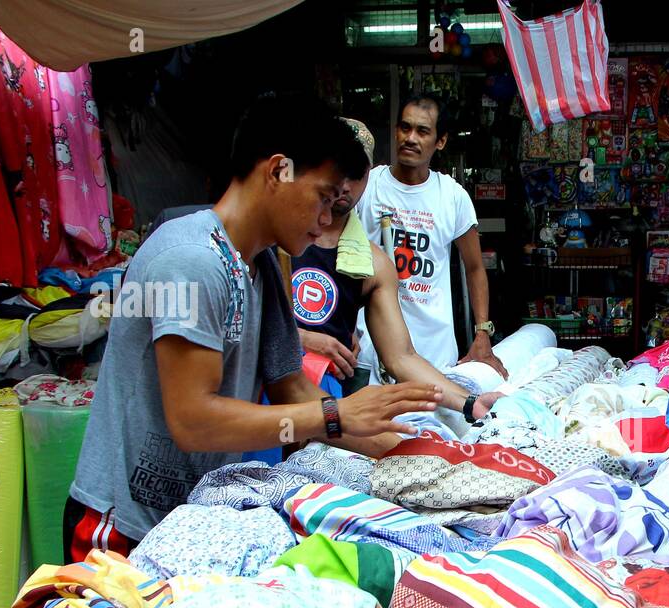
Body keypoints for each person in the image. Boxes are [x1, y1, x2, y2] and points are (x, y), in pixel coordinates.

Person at [64, 93, 442, 562]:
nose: (328, 219)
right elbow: (194, 421)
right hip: (123, 526)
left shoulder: (261, 265)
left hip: (190, 519)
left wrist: (425, 459)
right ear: (278, 170)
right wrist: (336, 414)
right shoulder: (191, 259)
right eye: (323, 198)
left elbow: (292, 391)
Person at [291, 118, 500, 422]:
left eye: (355, 173)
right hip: (262, 399)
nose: (344, 185)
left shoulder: (372, 265)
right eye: (336, 170)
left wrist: (469, 403)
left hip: (322, 403)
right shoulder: (279, 238)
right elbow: (238, 328)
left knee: (375, 441)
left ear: (368, 176)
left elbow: (401, 357)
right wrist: (300, 338)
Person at [354, 93, 505, 385]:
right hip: (371, 352)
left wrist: (482, 333)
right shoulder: (368, 185)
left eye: (422, 131)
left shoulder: (452, 196)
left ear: (440, 141)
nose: (410, 138)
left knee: (434, 431)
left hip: (434, 356)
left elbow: (474, 268)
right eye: (405, 128)